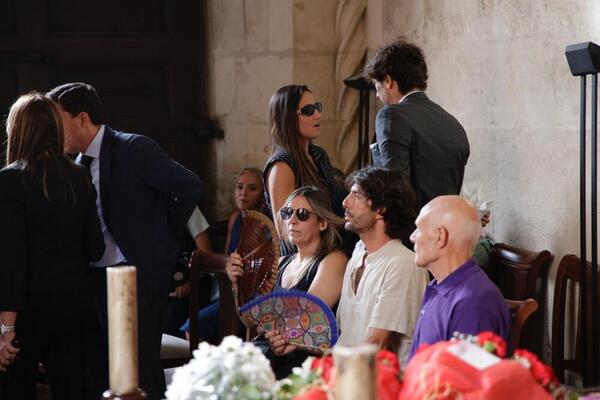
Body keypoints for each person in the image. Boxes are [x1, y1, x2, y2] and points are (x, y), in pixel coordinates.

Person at [47, 82, 202, 400]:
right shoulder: (75, 166)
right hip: (94, 280)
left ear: (82, 118)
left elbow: (189, 186)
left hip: (138, 276)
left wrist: (162, 236)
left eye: (58, 122)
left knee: (142, 370)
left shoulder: (132, 148)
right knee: (101, 370)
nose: (53, 132)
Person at [0, 93, 105, 399]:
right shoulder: (80, 174)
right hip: (76, 308)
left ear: (19, 131)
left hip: (28, 313)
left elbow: (11, 261)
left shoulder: (10, 180)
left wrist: (5, 330)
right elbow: (96, 249)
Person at [235, 186, 347, 378]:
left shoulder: (333, 260)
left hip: (305, 365)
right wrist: (238, 282)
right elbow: (249, 320)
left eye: (302, 214)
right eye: (287, 213)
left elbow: (305, 318)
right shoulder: (281, 262)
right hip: (271, 354)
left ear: (322, 223)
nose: (292, 221)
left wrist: (267, 320)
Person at [336, 166, 429, 365]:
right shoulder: (358, 253)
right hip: (348, 371)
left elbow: (376, 344)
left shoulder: (403, 263)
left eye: (356, 196)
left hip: (379, 379)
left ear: (380, 209)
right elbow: (346, 336)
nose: (345, 202)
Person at [364, 39, 470, 212]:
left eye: (377, 86)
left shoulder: (391, 115)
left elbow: (394, 187)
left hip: (412, 225)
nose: (377, 95)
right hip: (446, 223)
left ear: (389, 81)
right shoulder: (452, 123)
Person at [407, 195, 511, 362]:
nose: (412, 237)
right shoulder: (439, 285)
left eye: (419, 228)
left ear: (440, 237)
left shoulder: (472, 304)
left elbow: (466, 376)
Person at [264, 84, 355, 256]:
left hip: (335, 245)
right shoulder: (282, 166)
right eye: (308, 110)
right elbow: (286, 230)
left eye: (317, 107)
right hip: (305, 257)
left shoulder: (318, 154)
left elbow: (335, 205)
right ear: (288, 118)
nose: (318, 115)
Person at [179, 167, 265, 343]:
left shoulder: (263, 224)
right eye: (239, 187)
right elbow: (226, 258)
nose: (243, 193)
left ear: (263, 194)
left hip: (248, 294)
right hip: (225, 288)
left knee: (193, 327)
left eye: (252, 188)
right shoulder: (235, 218)